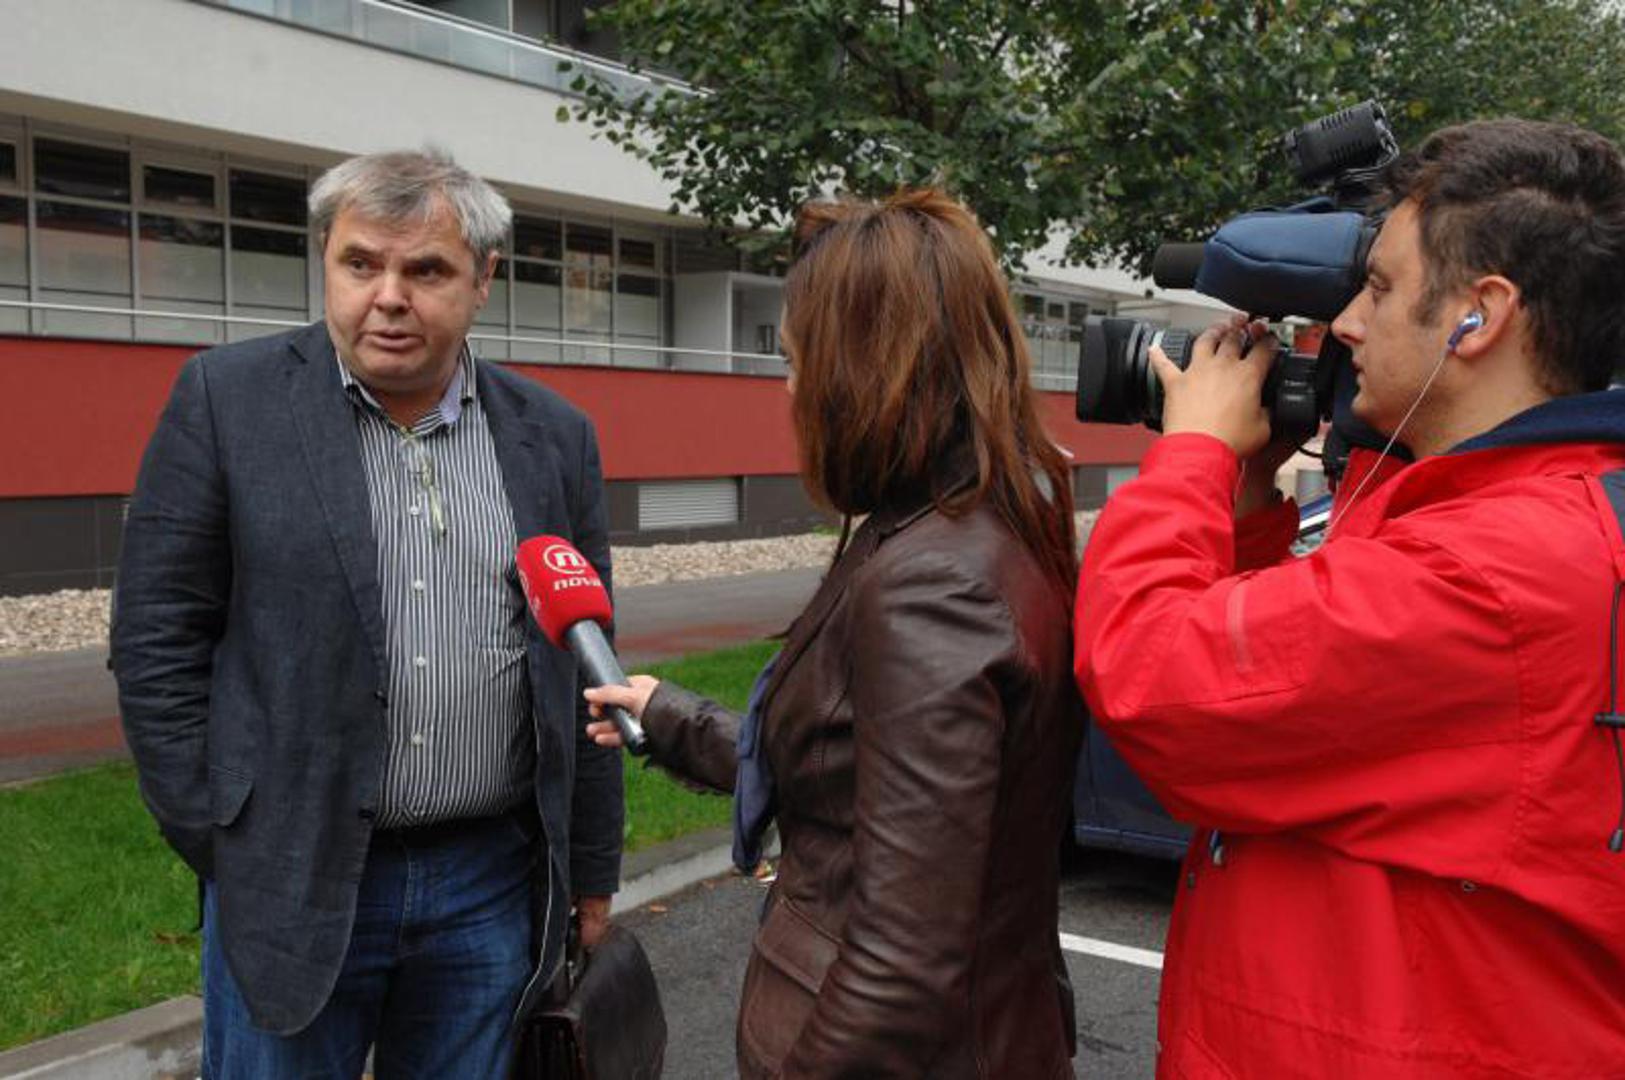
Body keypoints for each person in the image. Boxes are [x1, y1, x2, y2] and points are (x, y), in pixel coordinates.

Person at [1075, 118, 1625, 1076]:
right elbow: (1288, 704)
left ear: (1478, 316)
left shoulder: (1489, 572)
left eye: (1377, 288)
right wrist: (1248, 503)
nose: (1344, 327)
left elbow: (1152, 683)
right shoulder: (1495, 512)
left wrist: (1191, 454)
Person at [111, 149, 622, 1078]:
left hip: (487, 886)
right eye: (360, 263)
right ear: (326, 260)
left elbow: (589, 672)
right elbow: (155, 638)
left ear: (483, 280)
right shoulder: (227, 402)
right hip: (293, 876)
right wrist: (222, 835)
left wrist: (590, 868)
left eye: (425, 269)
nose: (388, 297)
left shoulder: (554, 436)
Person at [586, 188, 1082, 1078]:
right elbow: (858, 768)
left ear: (862, 371)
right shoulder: (967, 526)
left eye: (794, 360)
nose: (788, 389)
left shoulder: (930, 582)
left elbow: (900, 971)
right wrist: (673, 720)